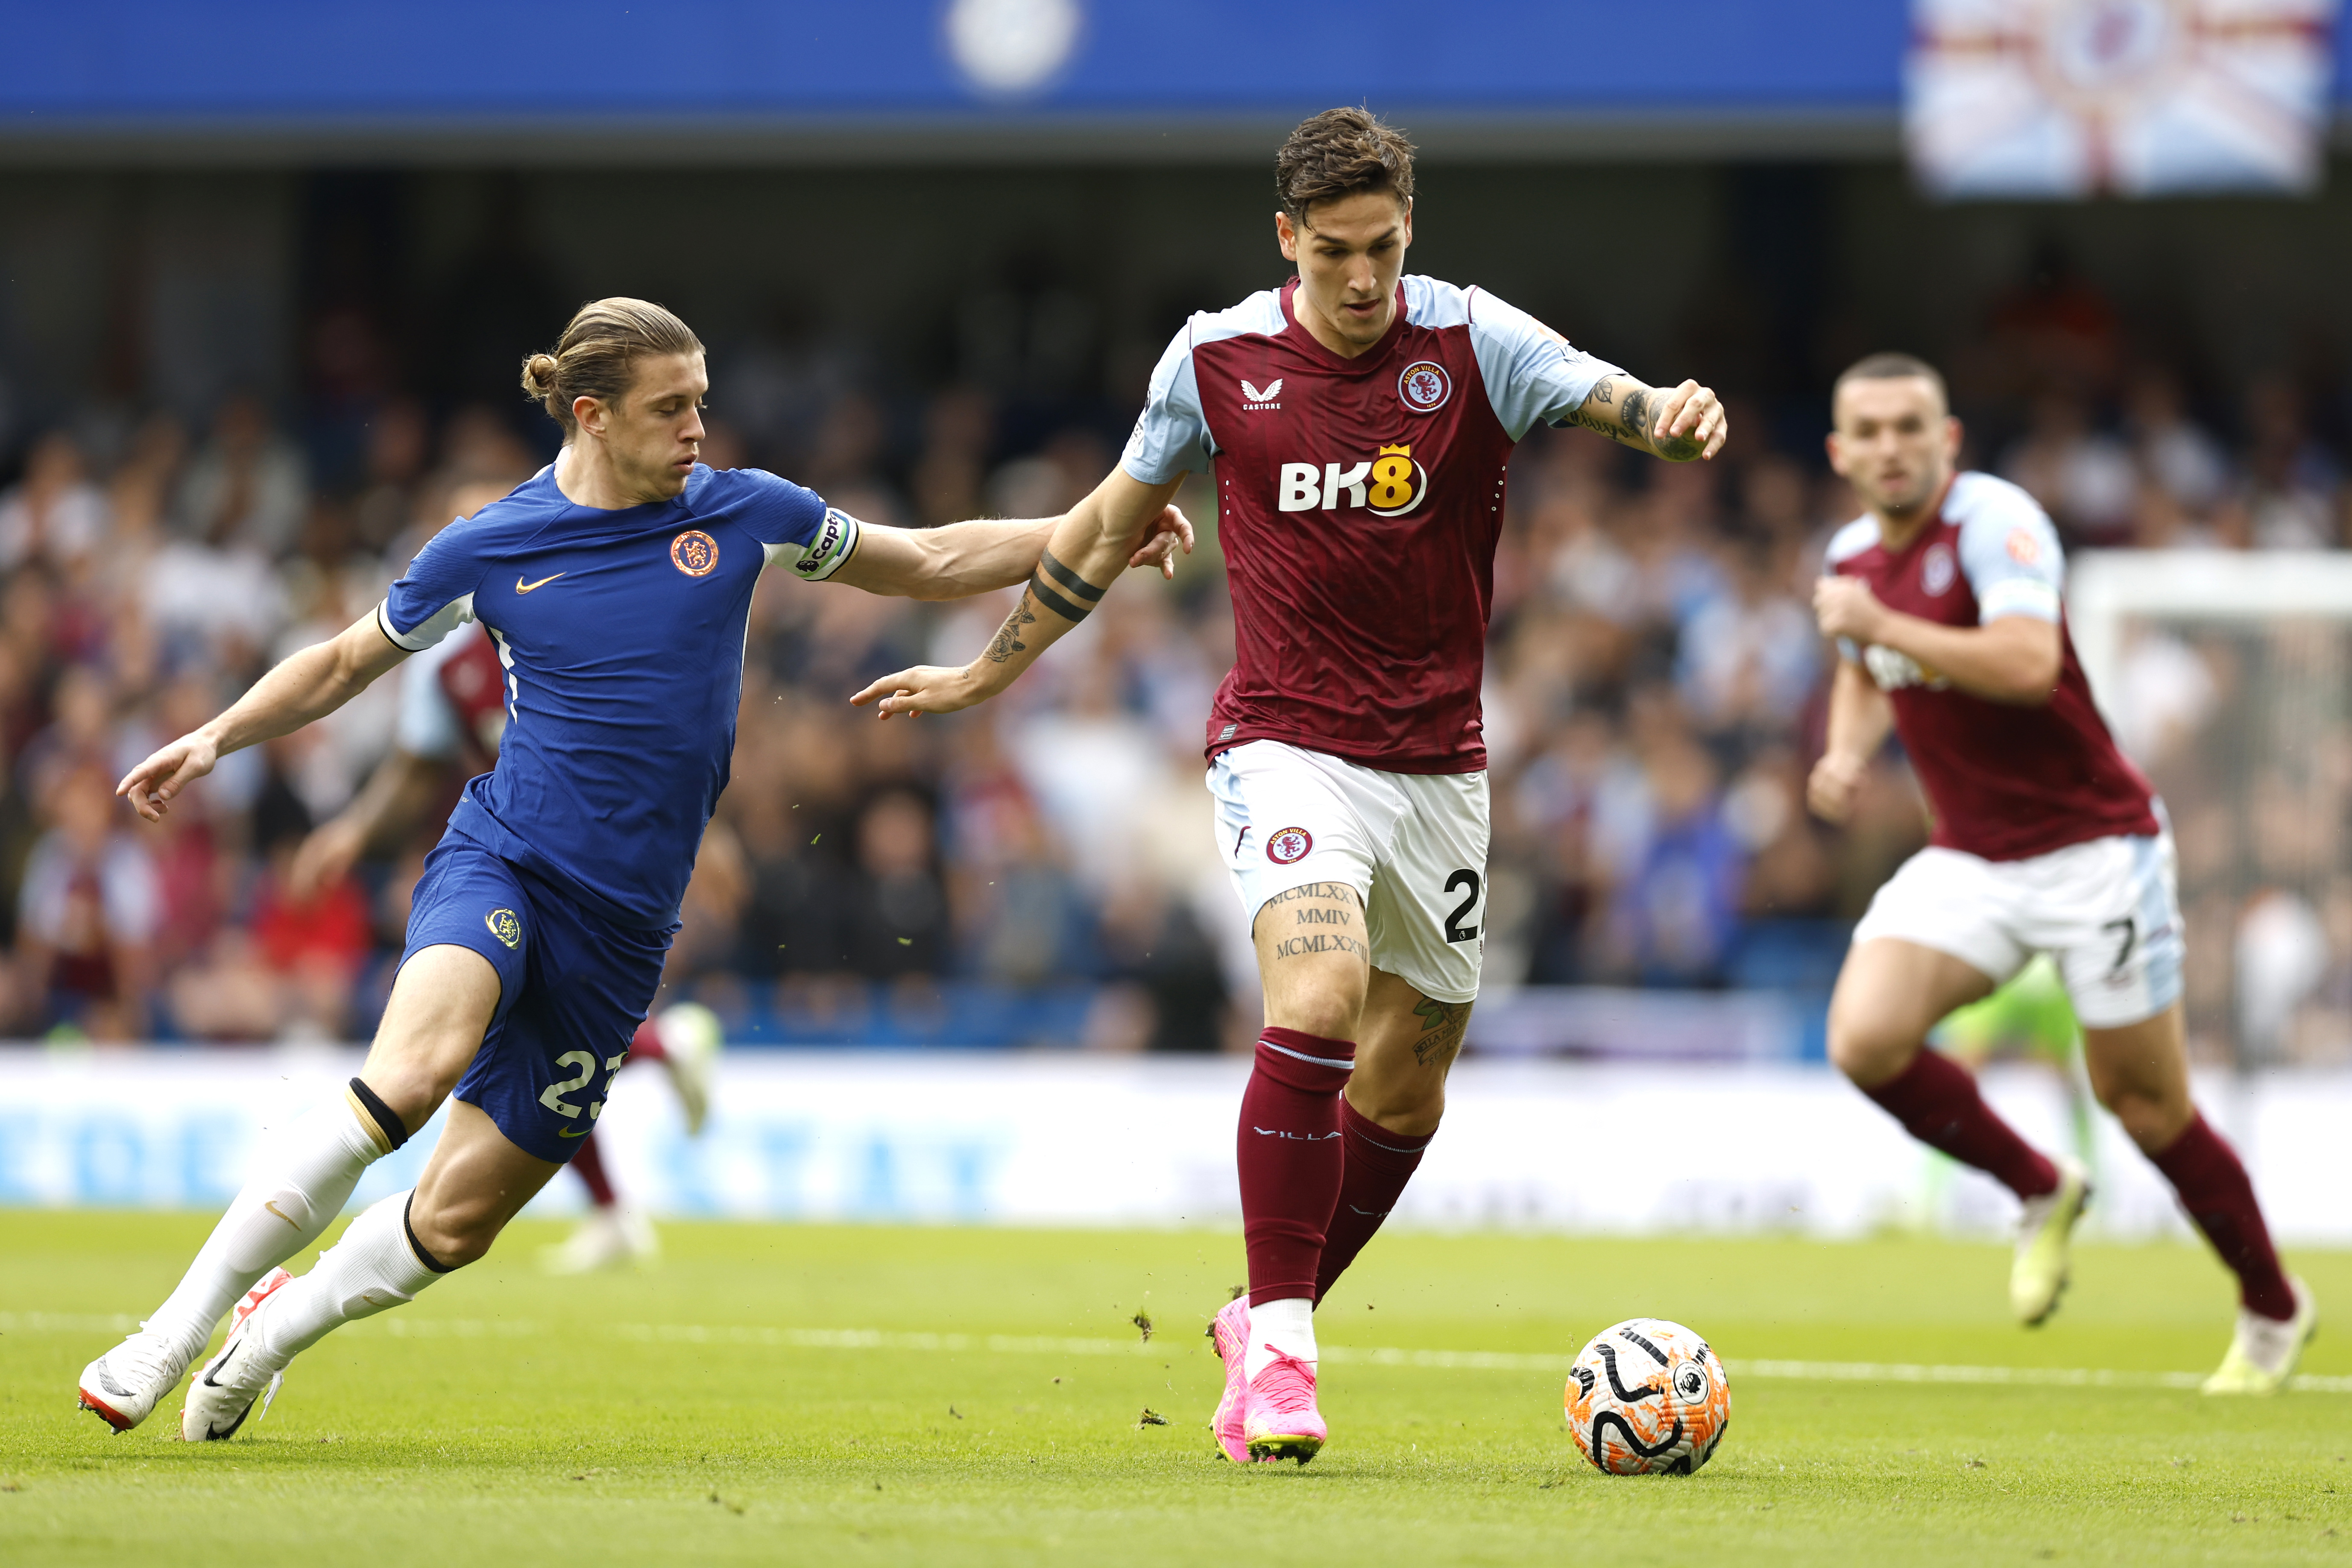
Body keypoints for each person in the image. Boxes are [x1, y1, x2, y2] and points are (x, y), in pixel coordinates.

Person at [77, 296, 1191, 1440]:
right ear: (594, 416)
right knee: (407, 1077)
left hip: (622, 934)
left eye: (702, 402)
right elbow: (346, 660)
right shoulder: (493, 545)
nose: (698, 427)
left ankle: (271, 1331)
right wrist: (219, 734)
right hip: (505, 862)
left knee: (455, 1225)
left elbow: (935, 558)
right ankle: (167, 1333)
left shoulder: (746, 513)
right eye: (673, 409)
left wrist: (1098, 525)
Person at [851, 108, 1728, 1464]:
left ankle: (1255, 1316)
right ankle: (1287, 1368)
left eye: (1382, 248)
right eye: (1334, 255)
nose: (1364, 280)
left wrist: (1669, 419)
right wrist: (989, 671)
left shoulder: (1472, 340)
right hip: (1283, 741)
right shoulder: (1213, 359)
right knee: (1314, 994)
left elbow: (1614, 398)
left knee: (1410, 1084)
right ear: (1285, 241)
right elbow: (1100, 528)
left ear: (1409, 232)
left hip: (1439, 765)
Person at [1808, 352, 2314, 1395]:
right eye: (1871, 429)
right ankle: (2040, 1186)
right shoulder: (1854, 552)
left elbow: (2028, 664)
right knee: (1864, 1038)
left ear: (1948, 441)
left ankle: (2273, 1303)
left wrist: (1881, 629)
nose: (1892, 445)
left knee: (2145, 1104)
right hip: (1973, 856)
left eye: (1912, 426)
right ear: (1840, 452)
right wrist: (1849, 752)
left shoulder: (1996, 523)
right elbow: (1866, 670)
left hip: (2096, 850)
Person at [287, 516, 722, 1276]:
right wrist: (355, 833)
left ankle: (654, 1067)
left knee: (533, 1041)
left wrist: (712, 842)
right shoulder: (441, 668)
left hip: (600, 872)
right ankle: (623, 1179)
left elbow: (654, 747)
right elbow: (418, 765)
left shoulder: (585, 617)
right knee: (514, 1040)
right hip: (507, 861)